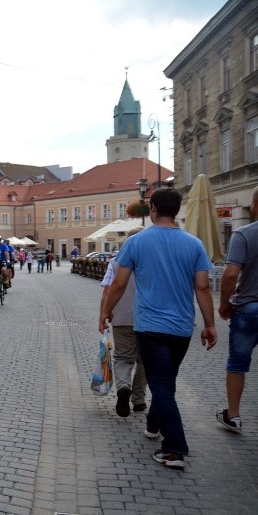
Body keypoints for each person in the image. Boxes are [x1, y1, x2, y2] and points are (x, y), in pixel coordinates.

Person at [99, 187, 216, 470]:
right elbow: (202, 287)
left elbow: (119, 283)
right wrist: (210, 324)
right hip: (181, 327)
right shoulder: (195, 244)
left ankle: (174, 448)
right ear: (176, 211)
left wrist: (106, 311)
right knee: (166, 381)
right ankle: (153, 423)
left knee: (162, 384)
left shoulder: (138, 242)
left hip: (150, 327)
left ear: (152, 209)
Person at [216, 185, 258, 433]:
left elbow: (231, 274)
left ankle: (233, 416)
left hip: (249, 308)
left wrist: (224, 302)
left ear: (254, 206)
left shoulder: (243, 234)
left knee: (237, 363)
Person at [99, 227, 147, 418]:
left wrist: (103, 313)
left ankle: (123, 387)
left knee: (123, 358)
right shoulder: (152, 262)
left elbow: (107, 290)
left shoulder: (115, 262)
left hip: (121, 317)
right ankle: (139, 399)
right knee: (144, 362)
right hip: (147, 319)